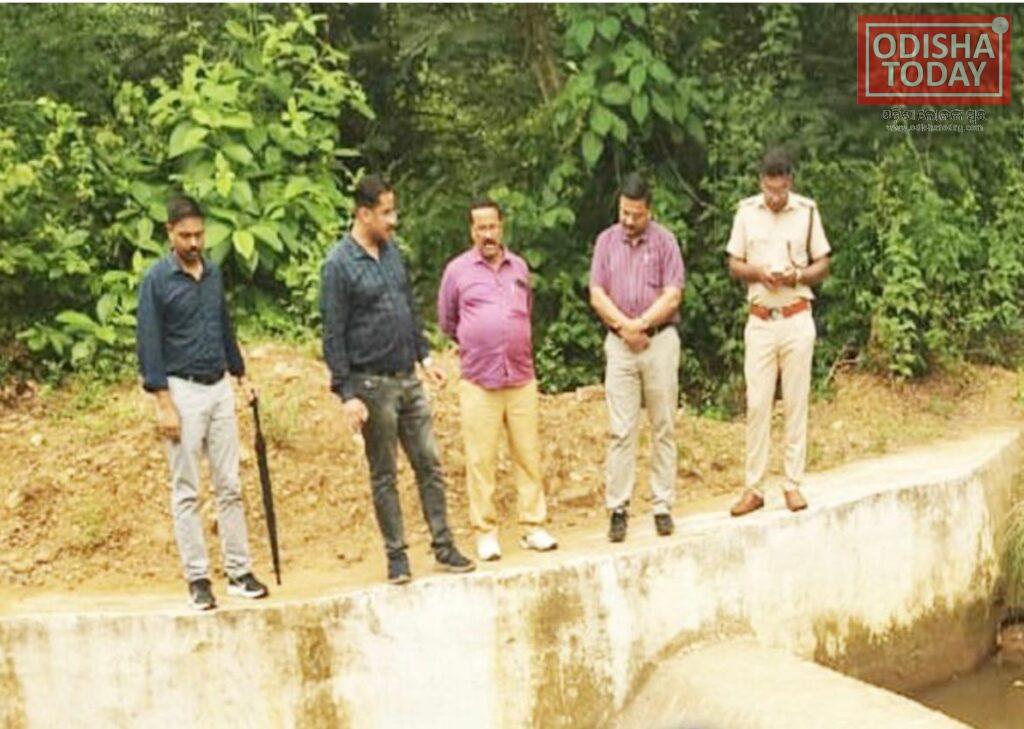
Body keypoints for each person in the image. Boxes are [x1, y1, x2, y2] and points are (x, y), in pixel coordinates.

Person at [320, 174, 475, 584]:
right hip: (372, 385)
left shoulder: (392, 254)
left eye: (394, 211)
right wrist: (346, 393)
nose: (394, 220)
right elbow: (333, 334)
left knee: (429, 463)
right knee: (384, 473)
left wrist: (424, 355)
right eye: (386, 212)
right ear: (363, 214)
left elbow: (408, 307)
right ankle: (397, 557)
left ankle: (444, 545)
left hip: (408, 378)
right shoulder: (338, 265)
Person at [136, 194, 269, 610]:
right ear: (169, 233)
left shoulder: (212, 274)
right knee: (187, 489)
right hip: (182, 390)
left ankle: (239, 571)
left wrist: (241, 374)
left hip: (219, 387)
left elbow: (224, 327)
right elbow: (149, 343)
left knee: (230, 484)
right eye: (185, 236)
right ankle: (197, 578)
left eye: (198, 235)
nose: (193, 243)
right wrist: (163, 402)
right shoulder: (156, 280)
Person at [437, 199, 558, 562]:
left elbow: (526, 311)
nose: (487, 235)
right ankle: (485, 532)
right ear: (471, 231)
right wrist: (480, 339)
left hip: (520, 376)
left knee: (528, 455)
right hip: (479, 379)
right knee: (481, 460)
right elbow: (448, 321)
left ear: (501, 226)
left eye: (492, 227)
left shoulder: (519, 267)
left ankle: (533, 526)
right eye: (480, 228)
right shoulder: (457, 271)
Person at [725, 148, 831, 517]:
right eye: (769, 190)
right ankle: (754, 487)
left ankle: (792, 483)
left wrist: (797, 276)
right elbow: (734, 263)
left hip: (796, 314)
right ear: (761, 183)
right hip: (760, 319)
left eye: (780, 190)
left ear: (789, 182)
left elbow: (823, 262)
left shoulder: (807, 211)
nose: (774, 197)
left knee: (796, 402)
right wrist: (758, 273)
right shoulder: (746, 212)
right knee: (757, 404)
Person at [589, 174, 685, 543]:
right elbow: (597, 293)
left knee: (663, 425)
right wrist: (624, 326)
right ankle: (618, 508)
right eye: (624, 213)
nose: (629, 221)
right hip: (619, 344)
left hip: (658, 341)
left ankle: (662, 505)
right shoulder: (605, 241)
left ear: (649, 211)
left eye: (636, 214)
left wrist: (641, 324)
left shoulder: (665, 242)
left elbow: (673, 294)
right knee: (621, 429)